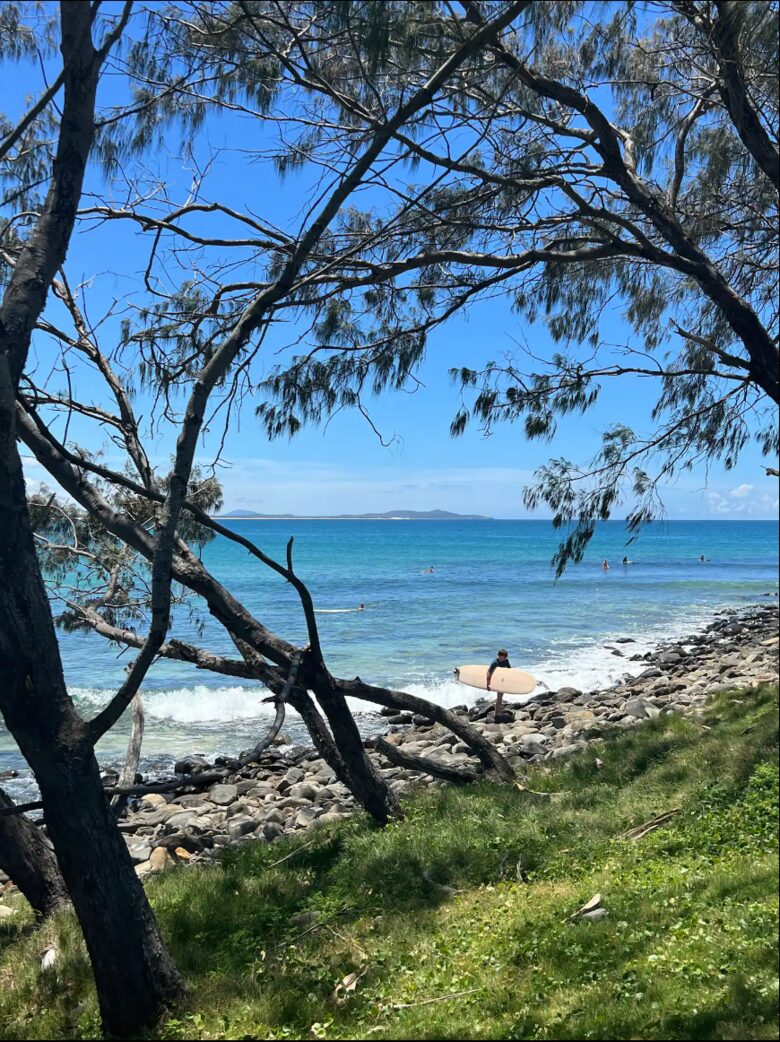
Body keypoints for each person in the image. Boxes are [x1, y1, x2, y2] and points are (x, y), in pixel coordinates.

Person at [486, 649, 511, 718]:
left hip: (502, 680)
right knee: (499, 696)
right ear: (499, 656)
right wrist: (488, 684)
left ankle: (497, 711)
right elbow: (489, 672)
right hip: (496, 680)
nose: (504, 659)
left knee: (500, 696)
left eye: (505, 657)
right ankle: (498, 712)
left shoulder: (506, 661)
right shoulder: (495, 662)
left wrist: (509, 680)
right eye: (503, 657)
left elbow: (509, 670)